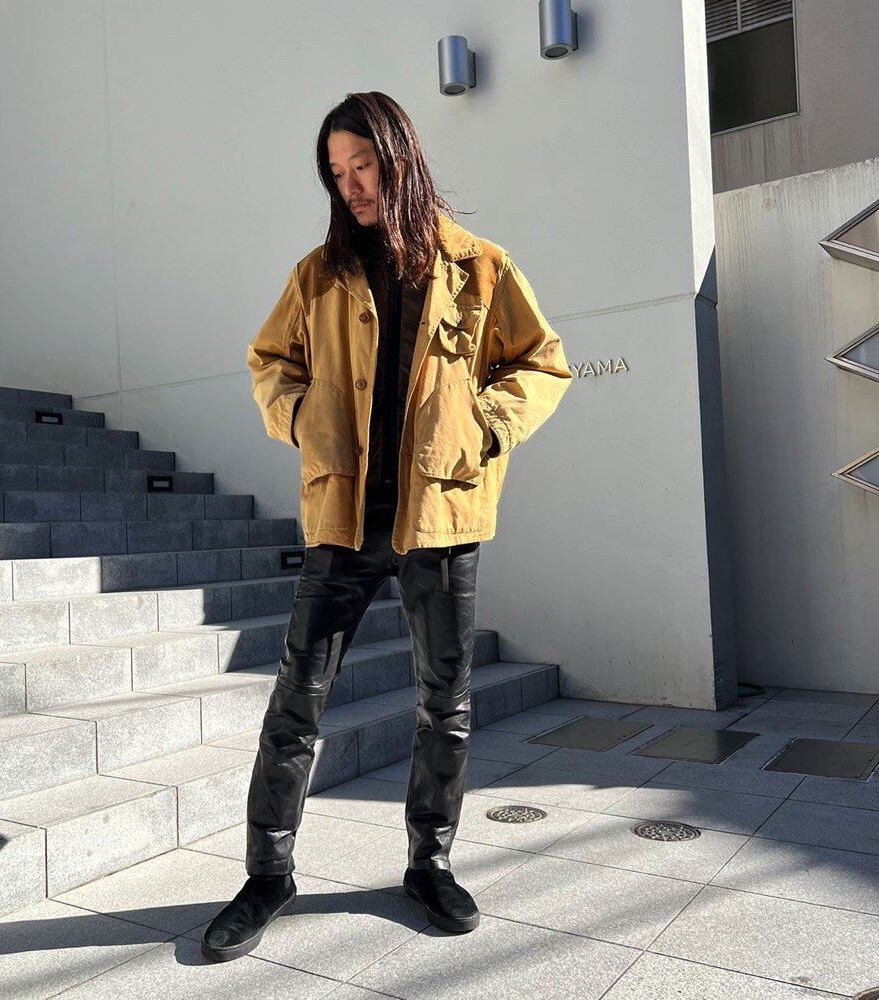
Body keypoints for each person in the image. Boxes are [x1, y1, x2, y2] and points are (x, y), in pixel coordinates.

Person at [201, 91, 572, 962]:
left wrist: (486, 424)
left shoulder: (480, 267)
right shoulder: (319, 274)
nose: (352, 186)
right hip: (343, 517)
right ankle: (267, 875)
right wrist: (300, 416)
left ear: (398, 159)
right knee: (296, 702)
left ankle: (429, 866)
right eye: (337, 173)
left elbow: (542, 363)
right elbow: (269, 361)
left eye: (362, 165)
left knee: (446, 705)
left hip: (440, 515)